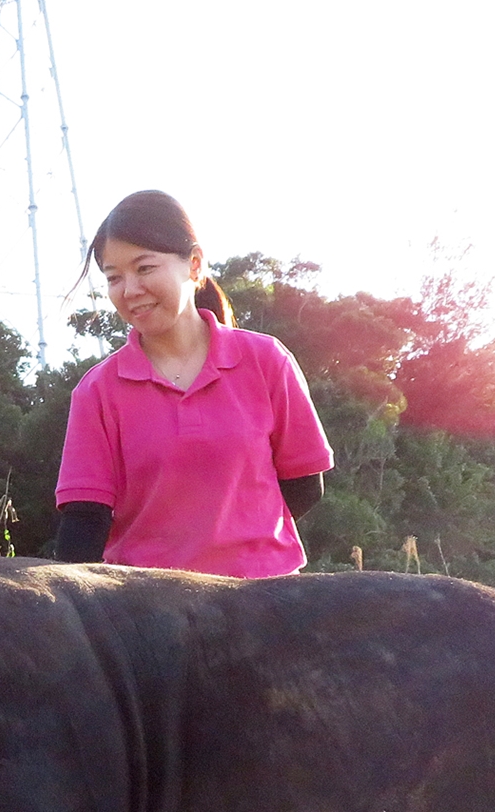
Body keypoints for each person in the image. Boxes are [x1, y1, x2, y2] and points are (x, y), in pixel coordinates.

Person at [53, 191, 333, 577]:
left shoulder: (265, 360)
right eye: (113, 277)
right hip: (148, 610)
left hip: (267, 602)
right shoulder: (98, 390)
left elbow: (305, 484)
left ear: (195, 264)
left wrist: (241, 540)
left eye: (145, 268)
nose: (129, 290)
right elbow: (85, 521)